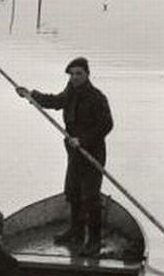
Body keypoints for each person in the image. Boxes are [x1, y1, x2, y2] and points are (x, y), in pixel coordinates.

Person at [16, 56, 113, 256]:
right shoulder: (71, 92)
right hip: (74, 153)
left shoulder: (97, 97)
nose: (75, 77)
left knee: (91, 197)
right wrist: (30, 95)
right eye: (72, 74)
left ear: (87, 74)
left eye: (79, 74)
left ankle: (93, 241)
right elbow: (55, 101)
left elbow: (106, 125)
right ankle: (76, 231)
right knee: (72, 191)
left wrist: (83, 140)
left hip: (92, 152)